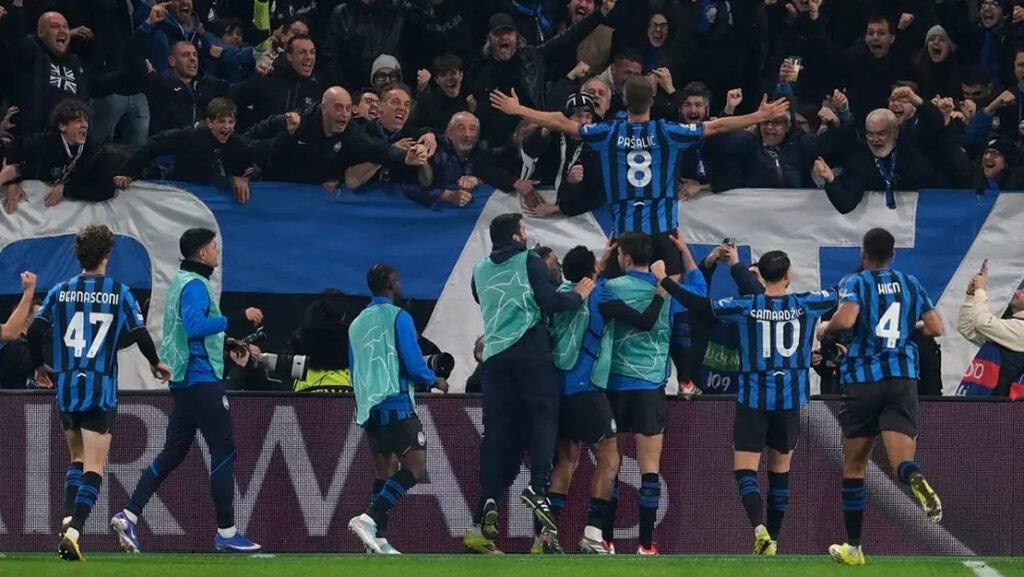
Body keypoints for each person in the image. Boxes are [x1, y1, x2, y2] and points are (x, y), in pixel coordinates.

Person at [489, 75, 789, 278]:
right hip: (663, 232)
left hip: (626, 234)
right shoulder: (668, 131)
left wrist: (519, 109)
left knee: (617, 298)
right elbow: (718, 126)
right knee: (668, 298)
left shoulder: (608, 132)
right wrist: (758, 116)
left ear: (622, 98)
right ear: (653, 99)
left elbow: (560, 122)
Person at [651, 249, 838, 555]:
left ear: (761, 276)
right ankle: (773, 539)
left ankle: (758, 527)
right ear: (788, 275)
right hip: (790, 399)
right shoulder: (807, 302)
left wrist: (665, 281)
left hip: (753, 399)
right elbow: (842, 294)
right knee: (780, 473)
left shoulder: (746, 306)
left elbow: (701, 306)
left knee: (745, 470)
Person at [110, 228, 264, 554]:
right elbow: (194, 327)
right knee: (223, 450)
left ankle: (129, 514)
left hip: (184, 379)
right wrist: (237, 318)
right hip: (200, 379)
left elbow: (186, 330)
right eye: (214, 247)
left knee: (173, 453)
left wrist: (225, 342)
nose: (217, 251)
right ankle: (227, 532)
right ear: (202, 253)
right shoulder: (195, 285)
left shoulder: (181, 281)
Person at [24, 225, 168, 561]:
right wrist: (155, 363)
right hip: (99, 387)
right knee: (95, 464)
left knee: (76, 458)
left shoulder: (61, 291)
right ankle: (75, 532)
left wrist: (39, 366)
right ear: (107, 254)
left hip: (67, 386)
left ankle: (68, 519)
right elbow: (139, 333)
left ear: (79, 256)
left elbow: (35, 332)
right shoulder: (118, 292)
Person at [465, 213, 594, 554]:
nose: (525, 234)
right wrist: (579, 294)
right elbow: (551, 303)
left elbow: (484, 300)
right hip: (530, 352)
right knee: (544, 419)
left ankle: (487, 504)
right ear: (516, 236)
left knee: (497, 434)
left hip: (495, 360)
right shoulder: (529, 261)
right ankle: (538, 488)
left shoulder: (479, 270)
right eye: (523, 229)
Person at [820, 228, 944, 566]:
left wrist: (826, 328)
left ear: (863, 254)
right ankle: (914, 476)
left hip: (863, 379)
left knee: (855, 466)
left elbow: (846, 318)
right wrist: (908, 329)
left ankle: (854, 549)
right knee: (900, 461)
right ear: (893, 254)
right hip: (902, 378)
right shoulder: (910, 282)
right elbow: (936, 327)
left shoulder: (856, 282)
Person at [597, 231, 705, 554]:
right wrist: (685, 253)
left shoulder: (609, 287)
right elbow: (700, 292)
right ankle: (645, 544)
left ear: (626, 258)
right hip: (649, 388)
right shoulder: (668, 291)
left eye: (619, 256)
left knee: (610, 467)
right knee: (650, 468)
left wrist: (601, 263)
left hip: (613, 387)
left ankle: (606, 540)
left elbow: (587, 290)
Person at [347, 264, 448, 554]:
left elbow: (355, 368)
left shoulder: (356, 323)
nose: (401, 283)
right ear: (391, 284)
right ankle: (369, 519)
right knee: (415, 468)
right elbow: (414, 364)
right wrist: (434, 380)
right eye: (398, 279)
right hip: (396, 401)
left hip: (369, 407)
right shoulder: (399, 317)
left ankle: (377, 539)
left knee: (385, 471)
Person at [545, 243, 622, 555]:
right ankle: (593, 533)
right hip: (587, 390)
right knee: (609, 458)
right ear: (591, 272)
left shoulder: (559, 295)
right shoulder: (601, 295)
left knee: (566, 461)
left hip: (557, 392)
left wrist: (595, 266)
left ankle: (546, 537)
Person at [957, 262, 1024, 398]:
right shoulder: (1012, 326)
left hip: (1003, 407)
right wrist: (971, 295)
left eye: (1023, 292)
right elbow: (967, 328)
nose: (1016, 292)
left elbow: (982, 323)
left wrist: (980, 290)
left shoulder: (1020, 330)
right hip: (986, 403)